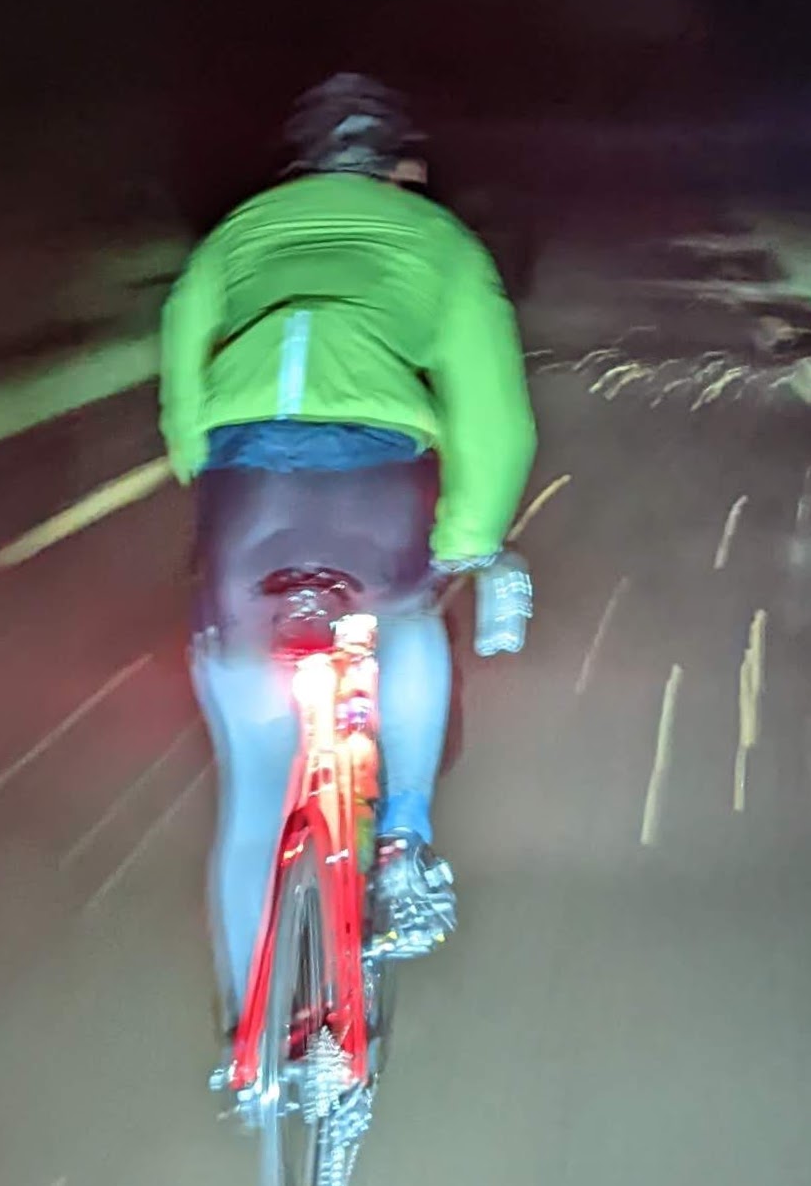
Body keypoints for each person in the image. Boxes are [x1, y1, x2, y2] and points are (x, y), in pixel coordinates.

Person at [159, 73, 538, 1053]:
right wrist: (468, 533)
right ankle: (403, 840)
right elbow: (493, 414)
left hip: (247, 491)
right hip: (375, 485)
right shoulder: (438, 241)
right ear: (396, 165)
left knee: (252, 789)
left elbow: (180, 381)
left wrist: (207, 469)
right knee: (407, 617)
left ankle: (257, 1047)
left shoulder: (238, 231)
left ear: (301, 159)